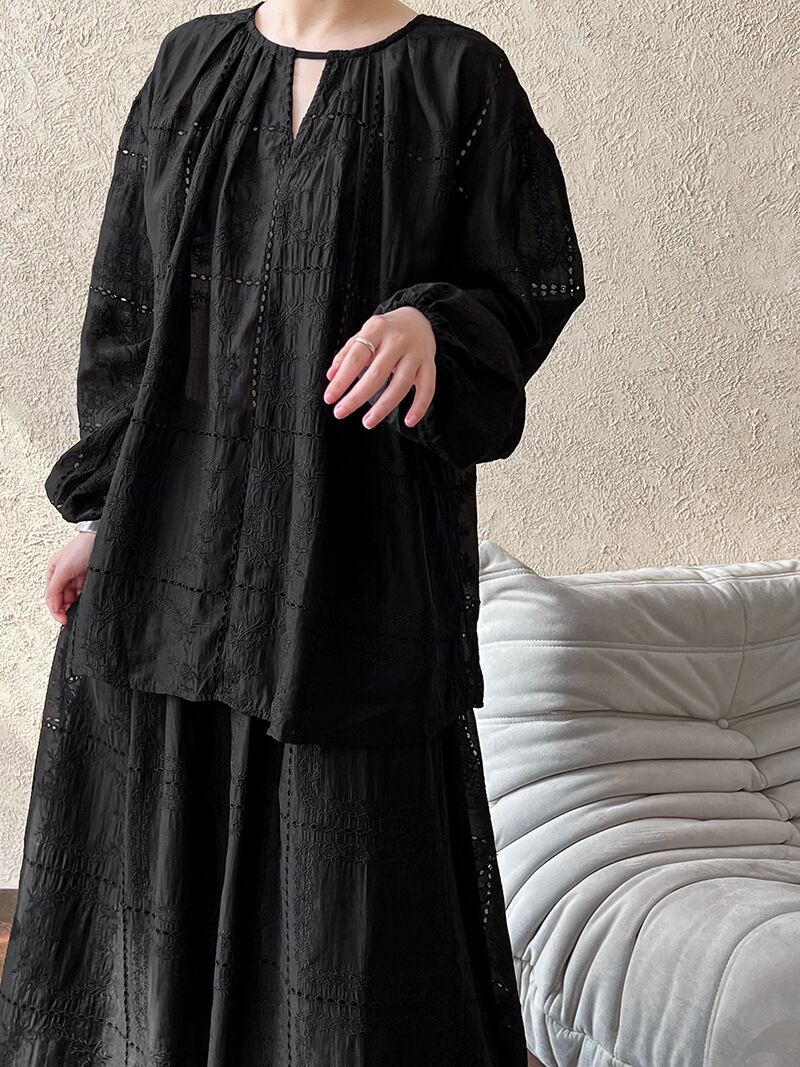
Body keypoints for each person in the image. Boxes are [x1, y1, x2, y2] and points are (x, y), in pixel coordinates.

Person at [0, 0, 585, 1062]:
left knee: (348, 948)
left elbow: (525, 288)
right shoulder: (188, 65)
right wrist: (111, 514)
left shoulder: (458, 80)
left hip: (357, 587)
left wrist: (433, 325)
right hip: (171, 576)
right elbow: (135, 317)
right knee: (143, 943)